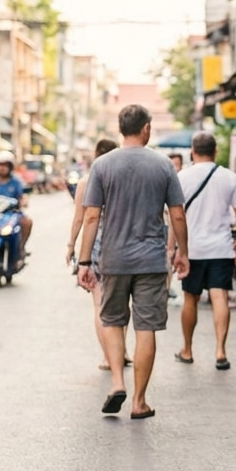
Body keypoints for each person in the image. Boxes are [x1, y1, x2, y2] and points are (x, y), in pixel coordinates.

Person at [77, 105, 188, 420]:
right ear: (147, 129)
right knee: (146, 328)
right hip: (152, 260)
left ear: (120, 128)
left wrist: (85, 260)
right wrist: (183, 251)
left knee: (112, 320)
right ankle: (139, 402)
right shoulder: (163, 165)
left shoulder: (102, 165)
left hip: (113, 258)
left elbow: (92, 216)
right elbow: (177, 214)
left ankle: (117, 382)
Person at [174, 132, 236, 370]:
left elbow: (176, 216)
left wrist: (176, 248)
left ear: (193, 152)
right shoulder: (228, 177)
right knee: (220, 296)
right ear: (215, 152)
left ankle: (187, 349)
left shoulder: (182, 177)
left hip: (192, 249)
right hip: (221, 247)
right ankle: (220, 351)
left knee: (190, 299)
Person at [67, 138, 127, 371]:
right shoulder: (122, 180)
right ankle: (122, 351)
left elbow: (81, 218)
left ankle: (108, 356)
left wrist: (71, 245)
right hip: (121, 244)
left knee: (100, 305)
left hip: (96, 245)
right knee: (122, 303)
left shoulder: (86, 182)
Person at [0, 151, 33, 269]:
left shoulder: (16, 181)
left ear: (10, 167)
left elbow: (22, 197)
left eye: (5, 165)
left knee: (27, 222)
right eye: (0, 165)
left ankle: (20, 248)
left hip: (12, 214)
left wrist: (23, 202)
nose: (3, 168)